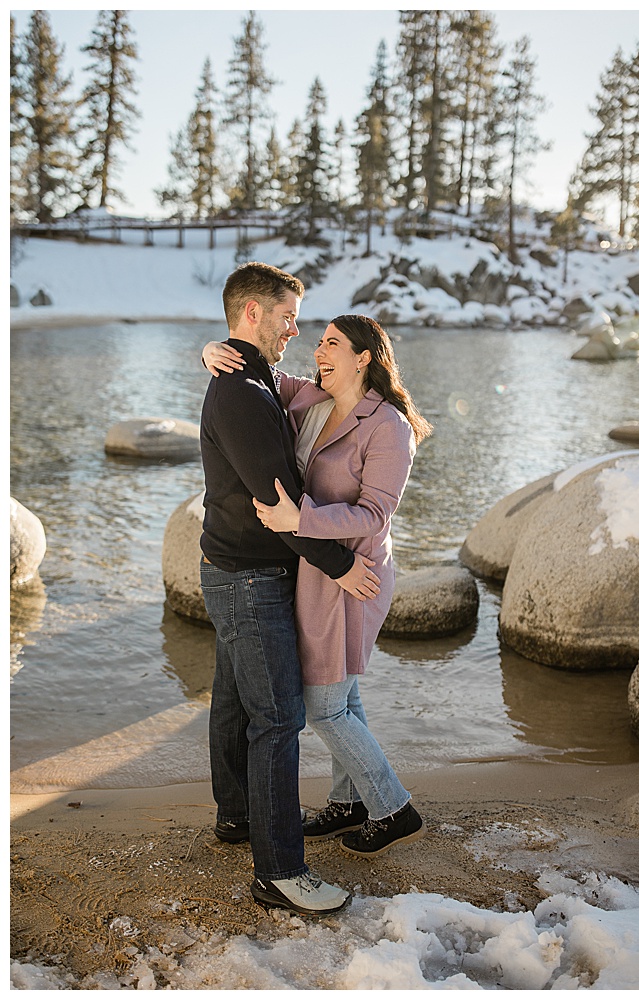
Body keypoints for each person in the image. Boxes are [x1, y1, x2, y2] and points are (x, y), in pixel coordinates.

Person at [202, 313, 432, 859]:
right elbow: (253, 377)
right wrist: (212, 350)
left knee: (323, 705)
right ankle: (347, 802)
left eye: (331, 343)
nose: (317, 351)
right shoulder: (312, 399)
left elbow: (374, 514)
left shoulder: (389, 426)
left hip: (354, 574)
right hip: (320, 571)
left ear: (364, 358)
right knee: (343, 694)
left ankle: (393, 808)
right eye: (318, 342)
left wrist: (298, 521)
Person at [198, 263, 380, 916]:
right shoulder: (243, 391)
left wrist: (209, 350)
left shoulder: (248, 377)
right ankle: (279, 872)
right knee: (277, 719)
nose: (294, 329)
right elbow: (281, 502)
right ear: (251, 313)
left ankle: (237, 815)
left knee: (234, 704)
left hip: (230, 570)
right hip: (248, 578)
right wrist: (340, 566)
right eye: (285, 316)